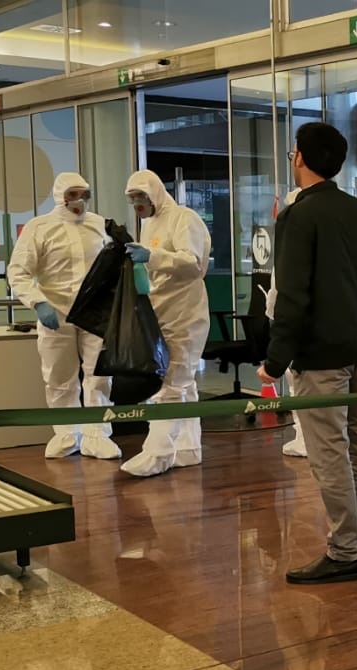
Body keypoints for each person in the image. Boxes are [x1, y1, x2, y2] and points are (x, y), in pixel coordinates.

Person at [257, 122, 357, 585]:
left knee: (328, 448)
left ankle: (343, 550)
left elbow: (292, 296)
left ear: (300, 158)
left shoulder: (298, 216)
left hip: (320, 352)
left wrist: (275, 361)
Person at [6, 173, 123, 460]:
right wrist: (37, 302)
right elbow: (18, 272)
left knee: (99, 376)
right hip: (55, 315)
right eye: (73, 194)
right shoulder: (39, 227)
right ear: (60, 195)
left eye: (84, 193)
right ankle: (67, 433)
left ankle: (98, 435)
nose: (79, 200)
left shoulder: (101, 225)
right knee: (59, 377)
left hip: (96, 315)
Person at [120, 170, 211, 477]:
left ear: (155, 193)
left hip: (185, 314)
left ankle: (156, 454)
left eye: (141, 198)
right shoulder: (150, 225)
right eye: (133, 200)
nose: (137, 205)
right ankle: (188, 447)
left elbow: (193, 262)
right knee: (184, 384)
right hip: (161, 313)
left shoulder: (184, 218)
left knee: (171, 384)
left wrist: (152, 256)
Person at [267, 186, 308, 459]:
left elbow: (285, 294)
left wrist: (274, 361)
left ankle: (306, 439)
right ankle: (304, 437)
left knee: (302, 387)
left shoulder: (296, 247)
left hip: (299, 330)